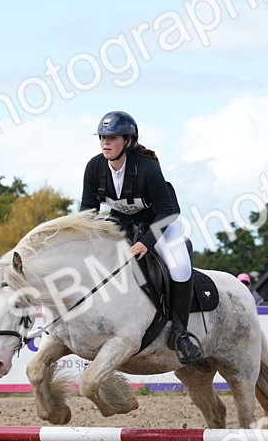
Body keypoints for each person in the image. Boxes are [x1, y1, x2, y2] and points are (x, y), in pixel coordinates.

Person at [80, 110, 204, 365]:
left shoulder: (147, 168)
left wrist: (146, 242)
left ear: (128, 141)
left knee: (180, 268)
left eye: (112, 137)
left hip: (159, 223)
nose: (105, 142)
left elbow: (168, 211)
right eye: (102, 137)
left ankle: (181, 332)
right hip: (121, 224)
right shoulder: (94, 167)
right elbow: (87, 210)